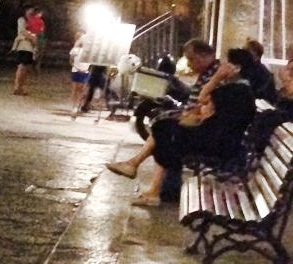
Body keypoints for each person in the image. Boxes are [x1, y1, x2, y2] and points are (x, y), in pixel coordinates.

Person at [106, 47, 256, 206]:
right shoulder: (239, 89)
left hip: (218, 144)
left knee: (165, 130)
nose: (221, 67)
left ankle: (148, 183)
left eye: (225, 64)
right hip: (218, 139)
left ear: (236, 68)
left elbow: (203, 97)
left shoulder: (236, 90)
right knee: (164, 127)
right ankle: (147, 181)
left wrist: (217, 78)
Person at [11, 5, 37, 96]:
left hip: (30, 47)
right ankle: (17, 87)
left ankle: (22, 87)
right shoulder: (22, 20)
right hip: (23, 45)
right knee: (21, 66)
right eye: (30, 10)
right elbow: (22, 31)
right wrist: (31, 38)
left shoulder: (33, 21)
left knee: (26, 68)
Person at [244, 38, 277, 103]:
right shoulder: (244, 69)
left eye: (247, 52)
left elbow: (260, 94)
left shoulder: (264, 74)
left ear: (256, 56)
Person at [69, 32, 90, 113]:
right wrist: (76, 67)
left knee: (81, 89)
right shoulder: (75, 50)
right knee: (74, 88)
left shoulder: (88, 51)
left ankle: (78, 105)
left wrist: (84, 69)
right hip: (76, 70)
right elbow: (71, 60)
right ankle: (74, 105)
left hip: (85, 71)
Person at [28, 6, 46, 72]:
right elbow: (41, 31)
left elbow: (28, 29)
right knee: (39, 53)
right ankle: (37, 66)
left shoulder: (30, 20)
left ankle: (29, 66)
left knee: (31, 53)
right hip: (38, 39)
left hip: (30, 38)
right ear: (38, 13)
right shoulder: (41, 21)